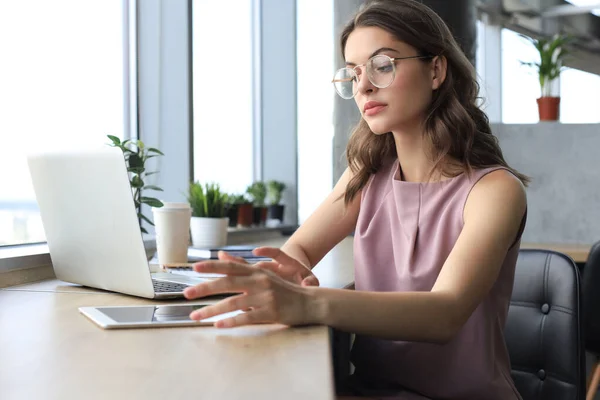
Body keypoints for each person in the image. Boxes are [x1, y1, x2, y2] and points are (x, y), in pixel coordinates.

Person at [183, 0, 528, 398]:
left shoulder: (495, 191)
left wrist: (309, 302)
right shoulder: (367, 176)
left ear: (436, 69)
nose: (362, 86)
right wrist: (289, 275)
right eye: (353, 72)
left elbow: (444, 314)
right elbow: (299, 248)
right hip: (369, 392)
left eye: (383, 65)